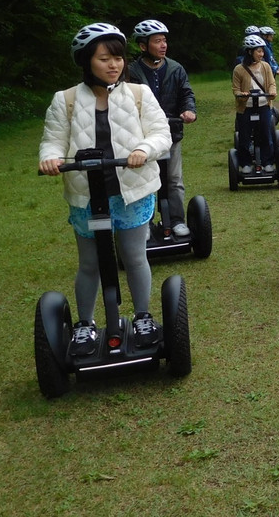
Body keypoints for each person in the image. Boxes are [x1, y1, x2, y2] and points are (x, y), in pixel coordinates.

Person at [38, 23, 172, 355]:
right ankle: (85, 324)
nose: (113, 65)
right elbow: (53, 141)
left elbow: (160, 132)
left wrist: (143, 149)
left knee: (135, 256)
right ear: (86, 62)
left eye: (118, 58)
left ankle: (143, 315)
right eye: (103, 59)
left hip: (131, 191)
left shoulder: (139, 94)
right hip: (87, 195)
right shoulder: (65, 100)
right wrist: (50, 158)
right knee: (90, 262)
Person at [127, 19, 197, 238]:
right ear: (143, 46)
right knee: (145, 181)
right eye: (157, 41)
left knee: (174, 180)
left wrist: (188, 110)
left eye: (164, 40)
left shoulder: (175, 68)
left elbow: (186, 93)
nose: (163, 45)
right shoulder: (131, 72)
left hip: (171, 135)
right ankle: (145, 223)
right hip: (142, 139)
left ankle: (176, 220)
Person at [232, 33, 277, 172]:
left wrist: (272, 92)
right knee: (244, 137)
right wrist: (241, 94)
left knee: (266, 135)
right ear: (250, 52)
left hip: (264, 105)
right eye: (259, 51)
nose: (262, 54)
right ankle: (245, 163)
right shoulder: (239, 69)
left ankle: (267, 162)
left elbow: (271, 83)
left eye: (262, 51)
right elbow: (235, 89)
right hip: (246, 107)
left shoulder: (265, 66)